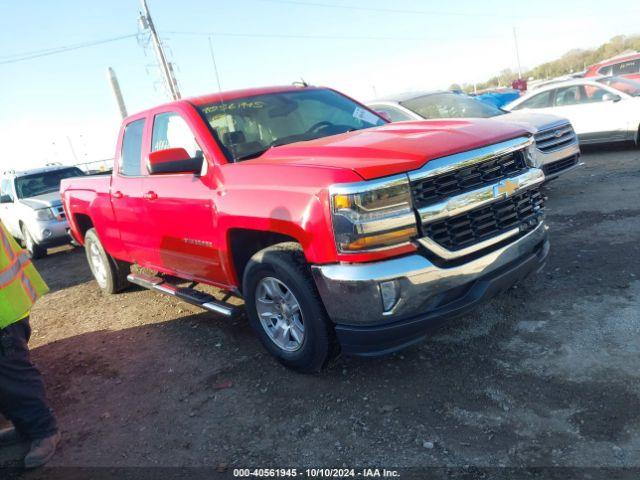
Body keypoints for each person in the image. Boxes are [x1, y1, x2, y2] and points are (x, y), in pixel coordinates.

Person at [0, 220, 59, 468]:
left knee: (13, 377)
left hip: (4, 311)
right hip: (7, 305)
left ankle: (44, 431)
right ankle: (25, 428)